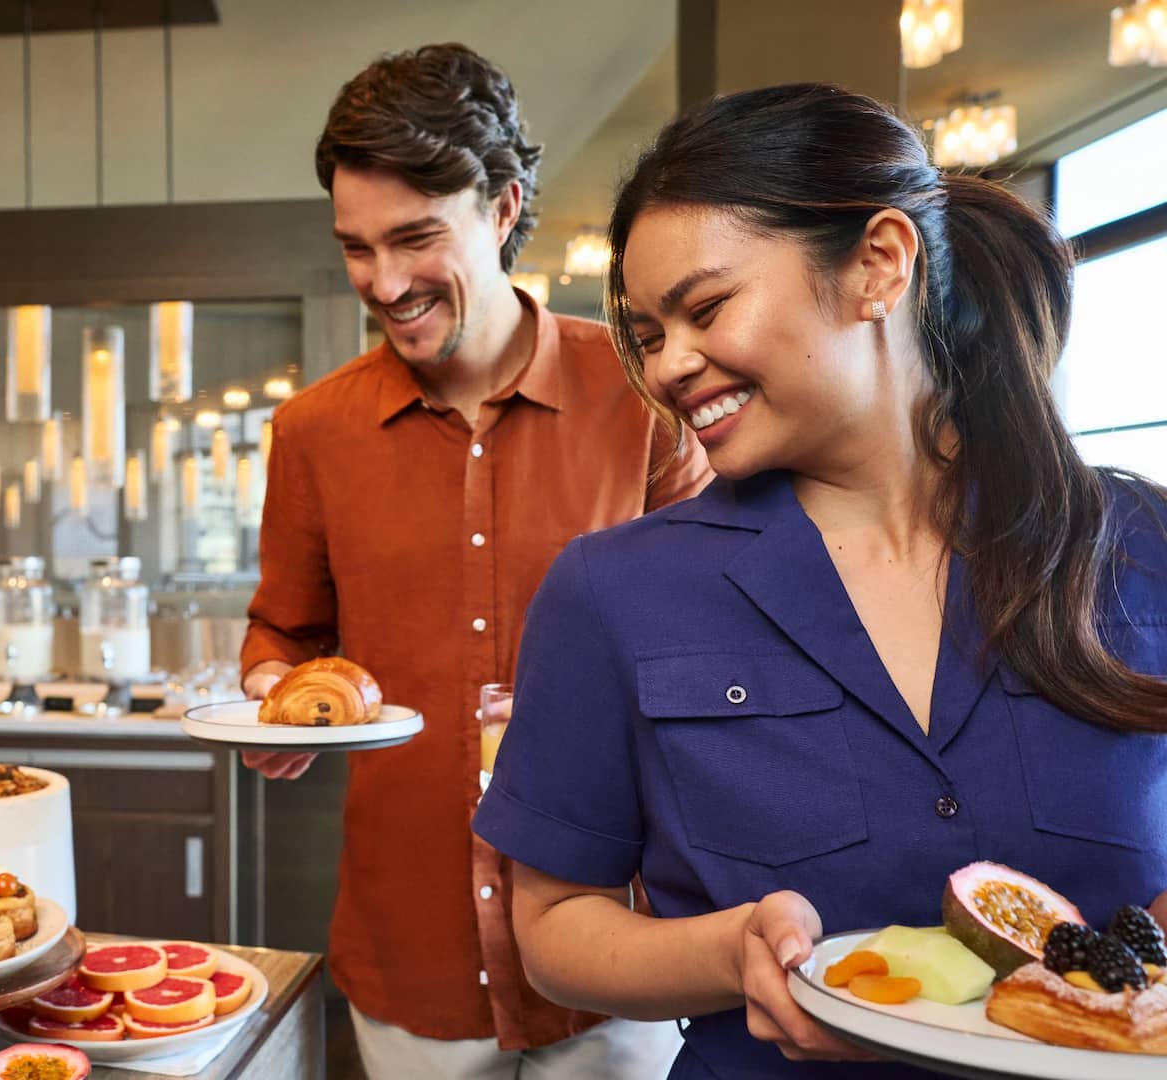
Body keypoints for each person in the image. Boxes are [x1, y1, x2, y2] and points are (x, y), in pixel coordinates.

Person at [473, 82, 1167, 1079]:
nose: (668, 366)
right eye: (648, 333)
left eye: (704, 308)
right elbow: (554, 926)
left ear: (879, 264)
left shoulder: (1138, 547)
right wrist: (727, 952)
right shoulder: (613, 592)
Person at [242, 43, 709, 1079]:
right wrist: (273, 694)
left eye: (415, 238)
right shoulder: (312, 431)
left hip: (619, 945)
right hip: (410, 958)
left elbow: (724, 625)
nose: (385, 283)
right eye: (357, 249)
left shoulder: (644, 395)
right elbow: (283, 629)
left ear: (501, 208)